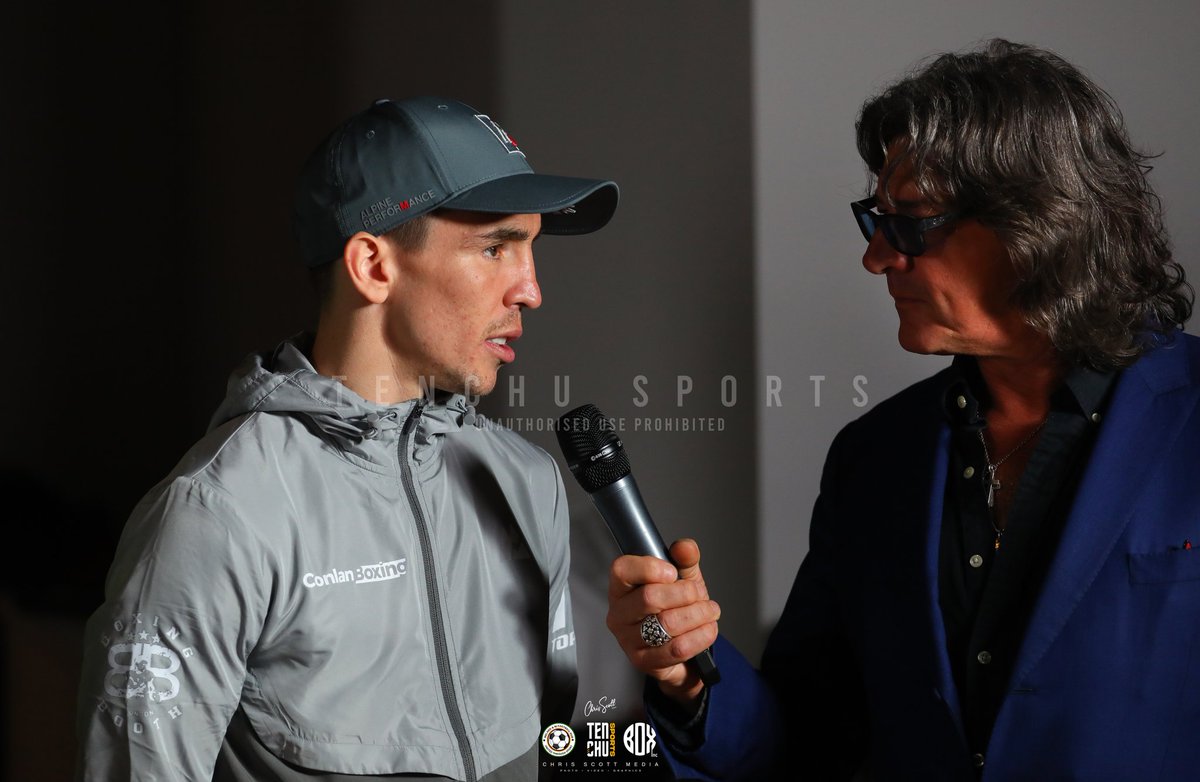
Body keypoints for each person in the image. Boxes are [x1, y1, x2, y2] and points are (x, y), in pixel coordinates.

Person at [606, 39, 1198, 780]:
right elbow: (804, 743)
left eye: (910, 221)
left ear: (1043, 222)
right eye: (874, 219)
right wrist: (689, 678)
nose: (878, 258)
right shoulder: (876, 456)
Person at [75, 96, 618, 781]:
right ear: (373, 265)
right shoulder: (218, 514)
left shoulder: (525, 480)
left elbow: (562, 752)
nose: (531, 291)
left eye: (531, 249)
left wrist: (682, 697)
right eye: (494, 248)